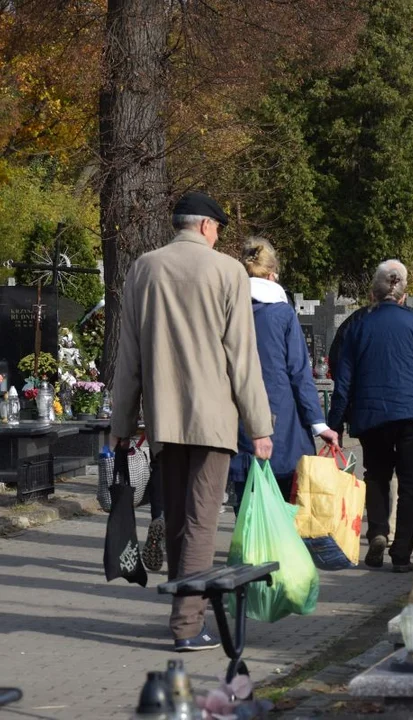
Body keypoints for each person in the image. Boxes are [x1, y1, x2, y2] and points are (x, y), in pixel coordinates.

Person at [111, 191, 274, 652]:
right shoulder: (227, 272)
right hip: (212, 418)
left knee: (181, 519)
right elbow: (242, 359)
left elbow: (130, 358)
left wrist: (121, 424)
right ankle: (187, 625)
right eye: (219, 228)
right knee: (202, 521)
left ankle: (183, 613)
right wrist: (259, 427)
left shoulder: (144, 268)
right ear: (206, 226)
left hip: (164, 417)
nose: (219, 236)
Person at [328, 260, 413, 573]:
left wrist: (335, 424)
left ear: (373, 291)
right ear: (404, 292)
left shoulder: (356, 324)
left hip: (373, 415)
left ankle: (379, 531)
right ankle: (401, 553)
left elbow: (342, 380)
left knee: (377, 475)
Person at [229, 239, 339, 510]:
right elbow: (299, 372)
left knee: (246, 504)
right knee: (283, 501)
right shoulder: (281, 313)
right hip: (282, 418)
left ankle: (249, 549)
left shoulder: (228, 309)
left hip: (237, 416)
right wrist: (318, 423)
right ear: (271, 274)